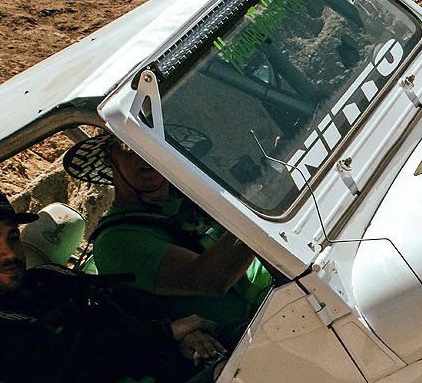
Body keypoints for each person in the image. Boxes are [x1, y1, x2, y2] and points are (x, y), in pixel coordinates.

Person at [0, 190, 225, 383]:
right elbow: (72, 362)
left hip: (178, 381)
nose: (9, 253)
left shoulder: (50, 279)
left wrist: (184, 335)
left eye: (13, 237)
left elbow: (130, 309)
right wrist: (166, 333)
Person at [63, 133, 272, 343]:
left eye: (150, 141)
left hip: (281, 288)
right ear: (109, 157)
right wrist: (263, 204)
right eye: (128, 146)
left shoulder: (189, 194)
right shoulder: (116, 240)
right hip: (252, 333)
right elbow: (210, 279)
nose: (143, 154)